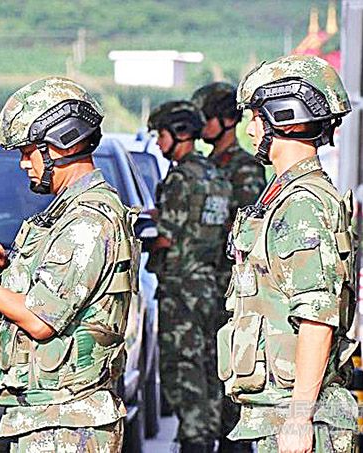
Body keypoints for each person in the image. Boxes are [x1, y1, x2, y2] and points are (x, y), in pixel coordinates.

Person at [0, 76, 140, 452]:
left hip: (69, 421)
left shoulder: (88, 221)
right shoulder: (68, 214)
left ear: (63, 143)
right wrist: (3, 269)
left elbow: (40, 320)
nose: (23, 163)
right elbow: (57, 288)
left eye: (29, 151)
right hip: (52, 417)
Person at [221, 54, 358, 452]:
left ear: (287, 116)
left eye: (256, 117)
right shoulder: (286, 197)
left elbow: (317, 317)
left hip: (293, 416)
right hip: (275, 412)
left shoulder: (302, 205)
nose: (251, 130)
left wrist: (299, 418)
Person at [147, 100, 232, 452]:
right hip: (210, 285)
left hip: (181, 289)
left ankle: (195, 439)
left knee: (182, 367)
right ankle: (210, 431)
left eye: (161, 135)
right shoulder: (215, 175)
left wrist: (142, 239)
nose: (158, 143)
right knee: (209, 365)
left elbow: (167, 236)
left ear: (180, 133)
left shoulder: (181, 178)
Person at [192, 81, 266, 452]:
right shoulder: (204, 166)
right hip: (204, 287)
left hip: (230, 290)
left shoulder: (244, 168)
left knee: (230, 379)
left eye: (205, 118)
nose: (199, 125)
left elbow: (246, 234)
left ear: (225, 121)